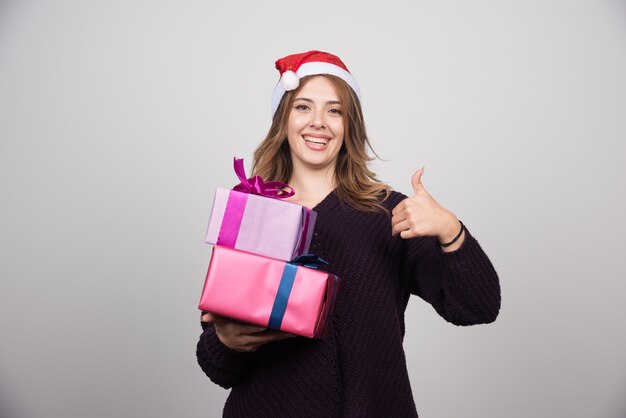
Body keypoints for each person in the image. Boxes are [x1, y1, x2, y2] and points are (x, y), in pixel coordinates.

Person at [196, 50, 501, 417]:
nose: (319, 122)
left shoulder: (389, 213)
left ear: (349, 124)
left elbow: (478, 307)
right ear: (284, 119)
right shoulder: (252, 210)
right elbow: (217, 366)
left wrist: (451, 231)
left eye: (334, 110)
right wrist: (227, 343)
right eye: (303, 107)